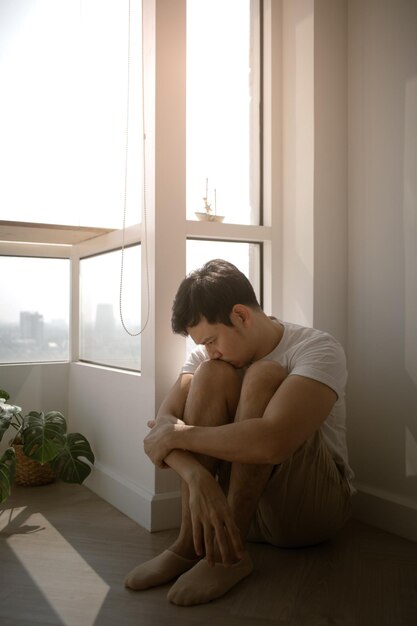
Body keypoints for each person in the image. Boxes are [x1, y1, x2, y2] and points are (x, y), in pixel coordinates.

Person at [124, 259, 354, 606]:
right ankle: (190, 546)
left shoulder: (317, 348)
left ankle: (228, 557)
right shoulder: (207, 357)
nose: (209, 350)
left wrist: (178, 437)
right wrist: (197, 475)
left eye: (213, 340)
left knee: (263, 375)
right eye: (203, 344)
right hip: (233, 509)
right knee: (209, 374)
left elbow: (272, 442)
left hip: (307, 513)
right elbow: (165, 422)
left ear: (241, 315)